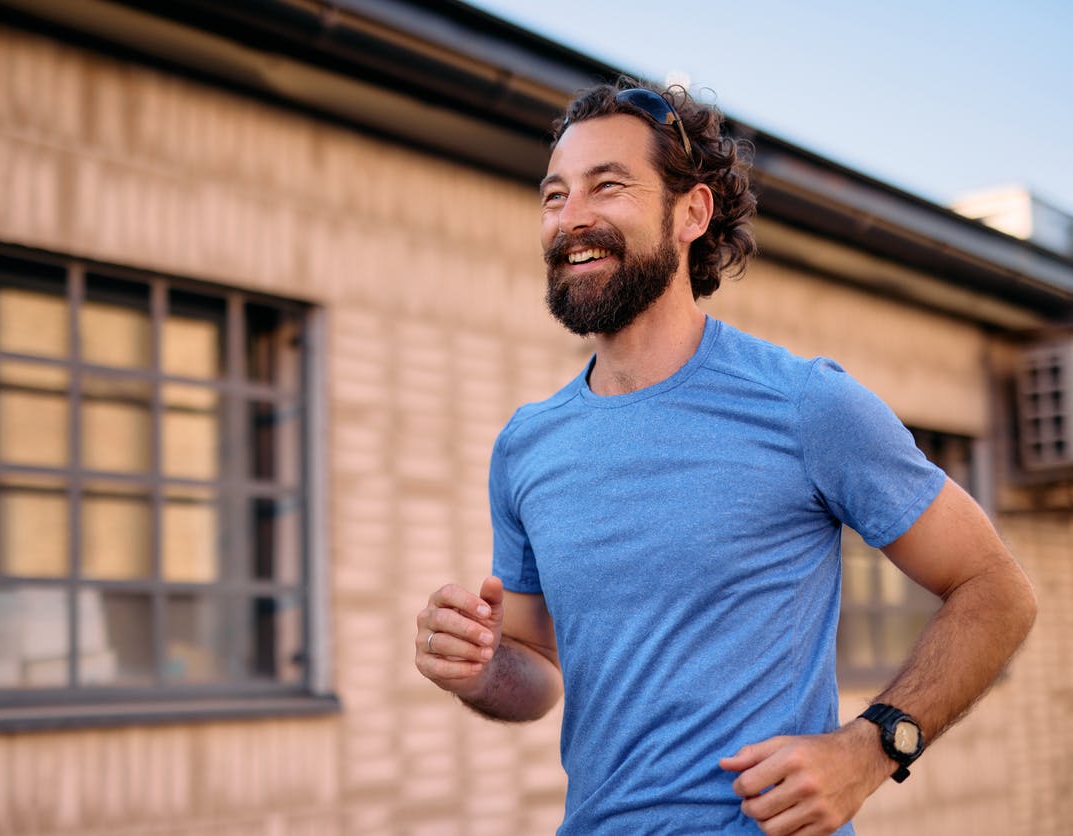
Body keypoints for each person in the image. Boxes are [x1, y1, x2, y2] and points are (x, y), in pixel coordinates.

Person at [413, 79, 1037, 835]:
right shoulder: (526, 444)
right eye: (554, 195)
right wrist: (480, 668)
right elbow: (538, 668)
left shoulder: (807, 405)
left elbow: (995, 590)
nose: (571, 216)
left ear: (692, 213)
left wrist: (872, 748)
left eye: (607, 186)